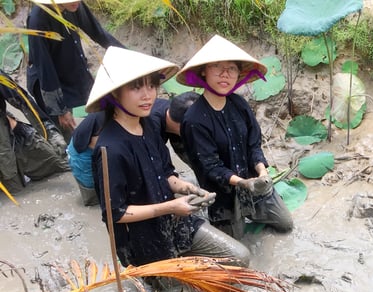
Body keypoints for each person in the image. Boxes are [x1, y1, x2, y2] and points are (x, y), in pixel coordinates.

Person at [85, 46, 251, 269]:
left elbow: (164, 173)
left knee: (239, 257)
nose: (148, 95)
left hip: (175, 221)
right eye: (136, 88)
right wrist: (170, 207)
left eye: (152, 86)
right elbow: (117, 213)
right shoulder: (110, 149)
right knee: (177, 290)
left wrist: (186, 188)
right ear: (115, 93)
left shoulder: (150, 124)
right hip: (144, 242)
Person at [176, 35, 294, 240]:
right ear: (204, 71)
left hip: (253, 182)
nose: (225, 74)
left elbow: (253, 143)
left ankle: (255, 208)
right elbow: (211, 166)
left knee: (285, 223)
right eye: (217, 67)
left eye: (231, 68)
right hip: (223, 195)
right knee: (236, 244)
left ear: (238, 73)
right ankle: (203, 208)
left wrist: (261, 172)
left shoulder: (239, 104)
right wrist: (242, 183)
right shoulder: (194, 119)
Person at [68, 92, 198, 207]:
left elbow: (186, 157)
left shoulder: (175, 112)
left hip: (117, 145)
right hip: (87, 148)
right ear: (183, 125)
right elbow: (147, 170)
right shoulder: (149, 124)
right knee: (101, 199)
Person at [26, 0, 124, 140]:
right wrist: (60, 110)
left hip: (72, 69)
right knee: (64, 135)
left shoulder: (75, 5)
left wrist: (129, 56)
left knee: (103, 112)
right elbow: (44, 67)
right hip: (48, 84)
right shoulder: (38, 19)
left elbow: (98, 33)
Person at [0, 70, 70, 195]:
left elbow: (23, 101)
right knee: (13, 188)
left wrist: (50, 132)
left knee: (59, 166)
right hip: (6, 149)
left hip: (12, 137)